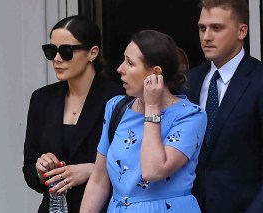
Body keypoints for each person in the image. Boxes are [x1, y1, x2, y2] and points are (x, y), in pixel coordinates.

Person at [80, 29, 207, 213]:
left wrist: (152, 108)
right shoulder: (116, 107)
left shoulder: (190, 116)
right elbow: (99, 178)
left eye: (130, 63)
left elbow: (153, 171)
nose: (120, 69)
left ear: (155, 73)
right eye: (124, 59)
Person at [22, 15, 124, 213]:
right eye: (51, 51)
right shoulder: (42, 99)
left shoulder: (117, 99)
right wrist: (41, 171)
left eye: (66, 51)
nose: (57, 59)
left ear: (92, 53)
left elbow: (135, 167)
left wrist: (92, 170)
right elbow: (29, 167)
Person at [184, 0, 263, 212]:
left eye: (216, 28)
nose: (206, 36)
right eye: (202, 28)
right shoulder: (190, 81)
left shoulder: (258, 80)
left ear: (242, 31)